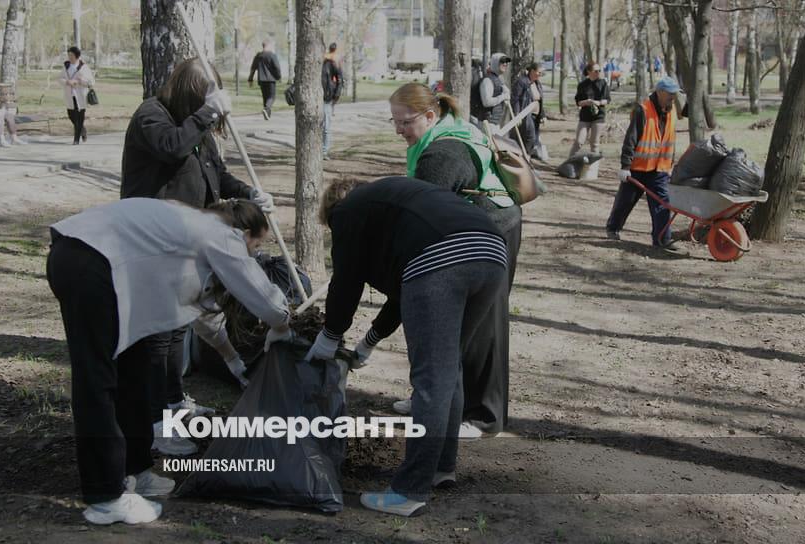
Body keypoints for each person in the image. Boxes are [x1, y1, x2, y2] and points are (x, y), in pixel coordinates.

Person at [47, 197, 292, 525]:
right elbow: (262, 294)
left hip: (107, 268)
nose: (254, 254)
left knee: (135, 371)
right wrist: (282, 325)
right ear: (245, 234)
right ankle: (105, 497)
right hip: (88, 261)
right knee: (98, 379)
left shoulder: (194, 237)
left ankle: (135, 470)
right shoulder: (219, 234)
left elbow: (203, 319)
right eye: (256, 245)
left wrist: (233, 360)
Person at [309, 176, 507, 516]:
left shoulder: (348, 212)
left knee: (432, 378)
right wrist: (368, 343)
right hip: (491, 250)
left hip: (444, 257)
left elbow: (346, 280)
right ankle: (441, 467)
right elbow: (405, 294)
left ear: (332, 212)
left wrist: (330, 336)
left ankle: (408, 491)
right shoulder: (397, 208)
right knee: (449, 366)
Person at [120, 57, 277, 456]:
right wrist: (206, 114)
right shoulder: (152, 116)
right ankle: (155, 425)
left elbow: (216, 175)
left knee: (178, 326)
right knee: (158, 333)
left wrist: (249, 194)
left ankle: (173, 403)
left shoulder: (197, 128)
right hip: (152, 239)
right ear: (191, 94)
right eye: (204, 101)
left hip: (185, 238)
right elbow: (171, 148)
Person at [387, 82, 523, 440]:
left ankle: (483, 417)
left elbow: (422, 216)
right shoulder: (440, 134)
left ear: (430, 115)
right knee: (450, 323)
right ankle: (436, 399)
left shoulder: (443, 154)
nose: (399, 130)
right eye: (395, 122)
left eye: (405, 122)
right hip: (473, 229)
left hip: (494, 230)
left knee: (483, 326)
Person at [606, 77, 681, 250]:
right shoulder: (643, 110)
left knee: (662, 204)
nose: (673, 97)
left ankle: (662, 239)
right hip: (638, 168)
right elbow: (630, 139)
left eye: (674, 94)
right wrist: (625, 166)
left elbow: (670, 140)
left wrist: (670, 164)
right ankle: (613, 228)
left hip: (659, 169)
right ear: (660, 92)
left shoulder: (671, 112)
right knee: (625, 202)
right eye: (670, 94)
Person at [569, 61, 611, 157]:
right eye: (596, 71)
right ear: (589, 71)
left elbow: (607, 100)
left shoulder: (603, 83)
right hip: (585, 116)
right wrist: (586, 102)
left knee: (594, 143)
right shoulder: (582, 85)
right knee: (579, 141)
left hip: (598, 116)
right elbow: (578, 102)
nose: (598, 73)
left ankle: (594, 164)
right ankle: (570, 162)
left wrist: (598, 102)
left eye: (599, 70)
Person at [61, 46, 95, 145]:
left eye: (71, 55)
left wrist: (80, 81)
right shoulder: (66, 66)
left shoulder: (84, 67)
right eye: (69, 55)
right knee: (71, 115)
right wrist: (67, 82)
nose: (70, 57)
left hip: (80, 96)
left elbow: (91, 82)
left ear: (77, 56)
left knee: (79, 118)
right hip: (69, 96)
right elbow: (59, 78)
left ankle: (76, 139)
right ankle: (82, 130)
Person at [511, 62, 546, 158]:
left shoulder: (537, 83)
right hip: (526, 115)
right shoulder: (522, 82)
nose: (540, 75)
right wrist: (517, 114)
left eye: (541, 73)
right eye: (539, 72)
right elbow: (515, 99)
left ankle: (527, 156)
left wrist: (543, 115)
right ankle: (525, 156)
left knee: (534, 139)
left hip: (536, 116)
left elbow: (540, 101)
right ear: (532, 71)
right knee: (530, 137)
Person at [472, 53, 511, 128]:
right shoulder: (487, 80)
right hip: (487, 123)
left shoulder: (498, 80)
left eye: (506, 62)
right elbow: (487, 102)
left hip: (494, 123)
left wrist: (505, 94)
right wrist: (503, 97)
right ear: (495, 63)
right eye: (502, 61)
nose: (505, 64)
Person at [321, 42, 344, 160]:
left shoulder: (331, 61)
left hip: (327, 97)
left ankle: (324, 151)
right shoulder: (325, 59)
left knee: (326, 126)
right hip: (322, 97)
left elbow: (340, 77)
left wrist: (336, 93)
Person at [248, 41, 282, 120]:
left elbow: (253, 68)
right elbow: (277, 67)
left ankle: (267, 115)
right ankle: (266, 109)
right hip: (270, 79)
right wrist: (279, 77)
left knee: (265, 97)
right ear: (269, 46)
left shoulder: (258, 56)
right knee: (272, 97)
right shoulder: (272, 55)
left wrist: (250, 79)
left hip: (261, 79)